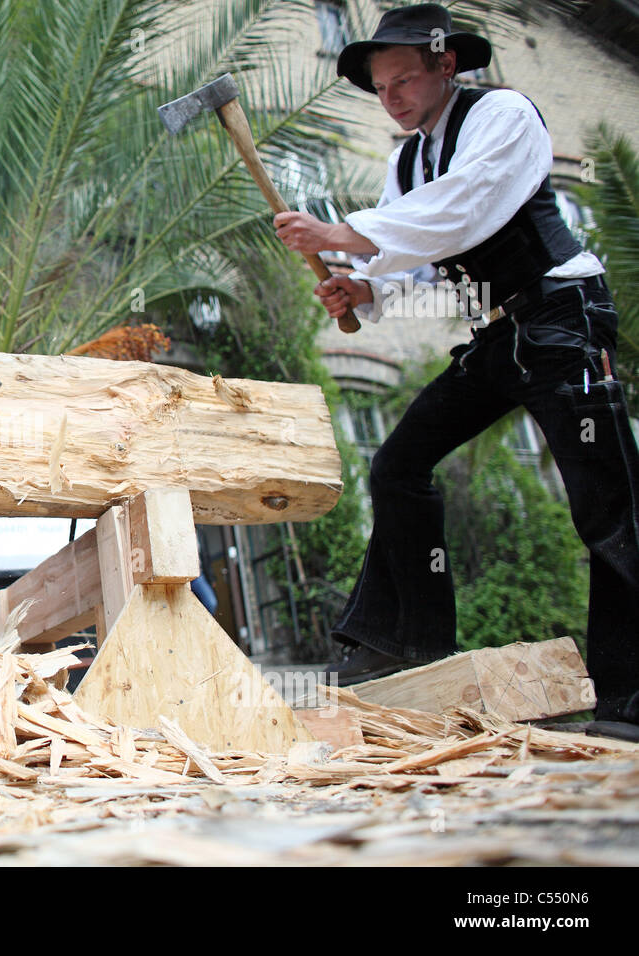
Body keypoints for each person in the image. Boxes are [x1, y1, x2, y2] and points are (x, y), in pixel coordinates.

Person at [273, 4, 639, 736]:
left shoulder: (503, 114)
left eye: (405, 79)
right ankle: (411, 644)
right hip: (497, 335)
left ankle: (629, 698)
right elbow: (417, 259)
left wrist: (348, 234)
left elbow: (464, 209)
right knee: (398, 465)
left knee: (609, 510)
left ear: (447, 66)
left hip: (561, 320)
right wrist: (364, 285)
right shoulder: (405, 160)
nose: (394, 98)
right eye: (380, 89)